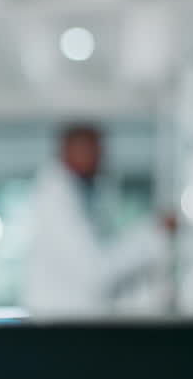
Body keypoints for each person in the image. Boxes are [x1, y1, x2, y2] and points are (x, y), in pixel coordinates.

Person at [21, 124, 175, 317]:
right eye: (96, 152)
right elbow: (96, 272)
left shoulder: (80, 194)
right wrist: (153, 232)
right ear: (72, 150)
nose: (102, 160)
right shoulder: (56, 199)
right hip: (61, 320)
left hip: (71, 319)